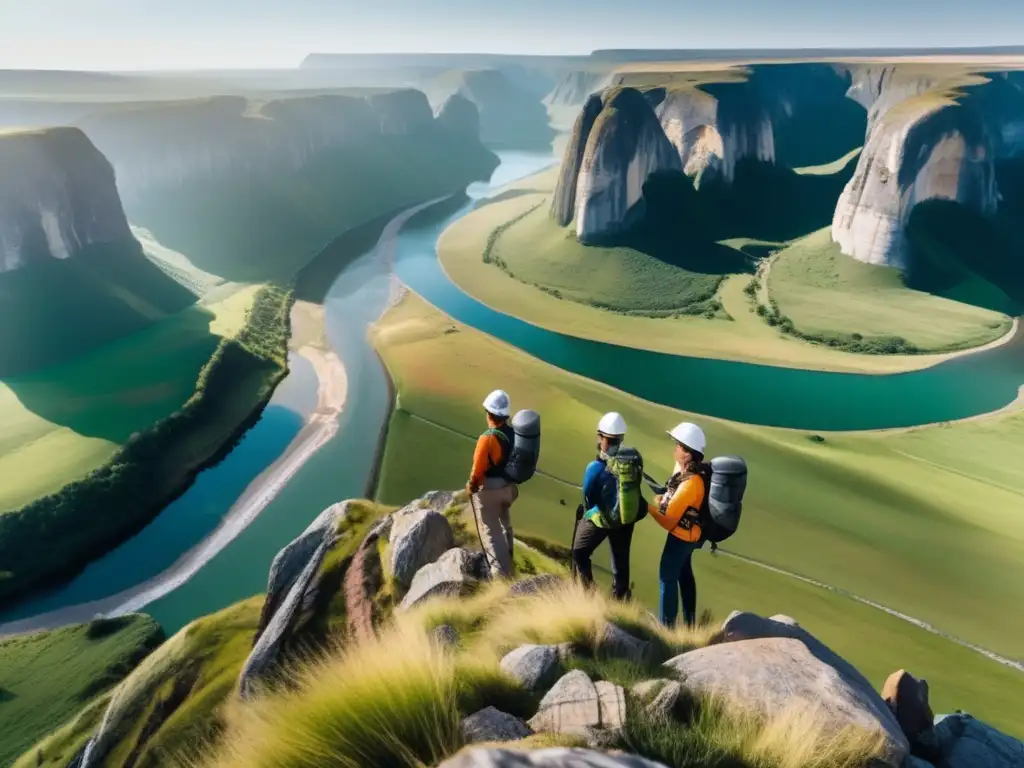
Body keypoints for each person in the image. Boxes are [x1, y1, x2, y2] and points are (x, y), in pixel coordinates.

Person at [648, 422, 708, 628]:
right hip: (690, 536)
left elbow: (668, 520)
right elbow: (672, 504)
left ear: (688, 453)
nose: (675, 449)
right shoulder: (689, 477)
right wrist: (661, 502)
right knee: (684, 574)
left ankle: (666, 628)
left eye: (679, 446)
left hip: (681, 537)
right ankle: (689, 624)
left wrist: (645, 507)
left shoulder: (691, 483)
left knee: (667, 576)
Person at [571, 412, 637, 600]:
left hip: (603, 517)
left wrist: (590, 512)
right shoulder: (630, 461)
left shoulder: (595, 467)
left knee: (579, 552)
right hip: (626, 517)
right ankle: (621, 599)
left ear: (602, 438)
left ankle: (588, 596)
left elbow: (587, 497)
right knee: (620, 560)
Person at [467, 389, 519, 578]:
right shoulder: (514, 434)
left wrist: (471, 487)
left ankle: (500, 575)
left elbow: (478, 471)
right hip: (509, 489)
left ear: (489, 414)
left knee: (489, 528)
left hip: (491, 490)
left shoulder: (487, 438)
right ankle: (509, 556)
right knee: (505, 522)